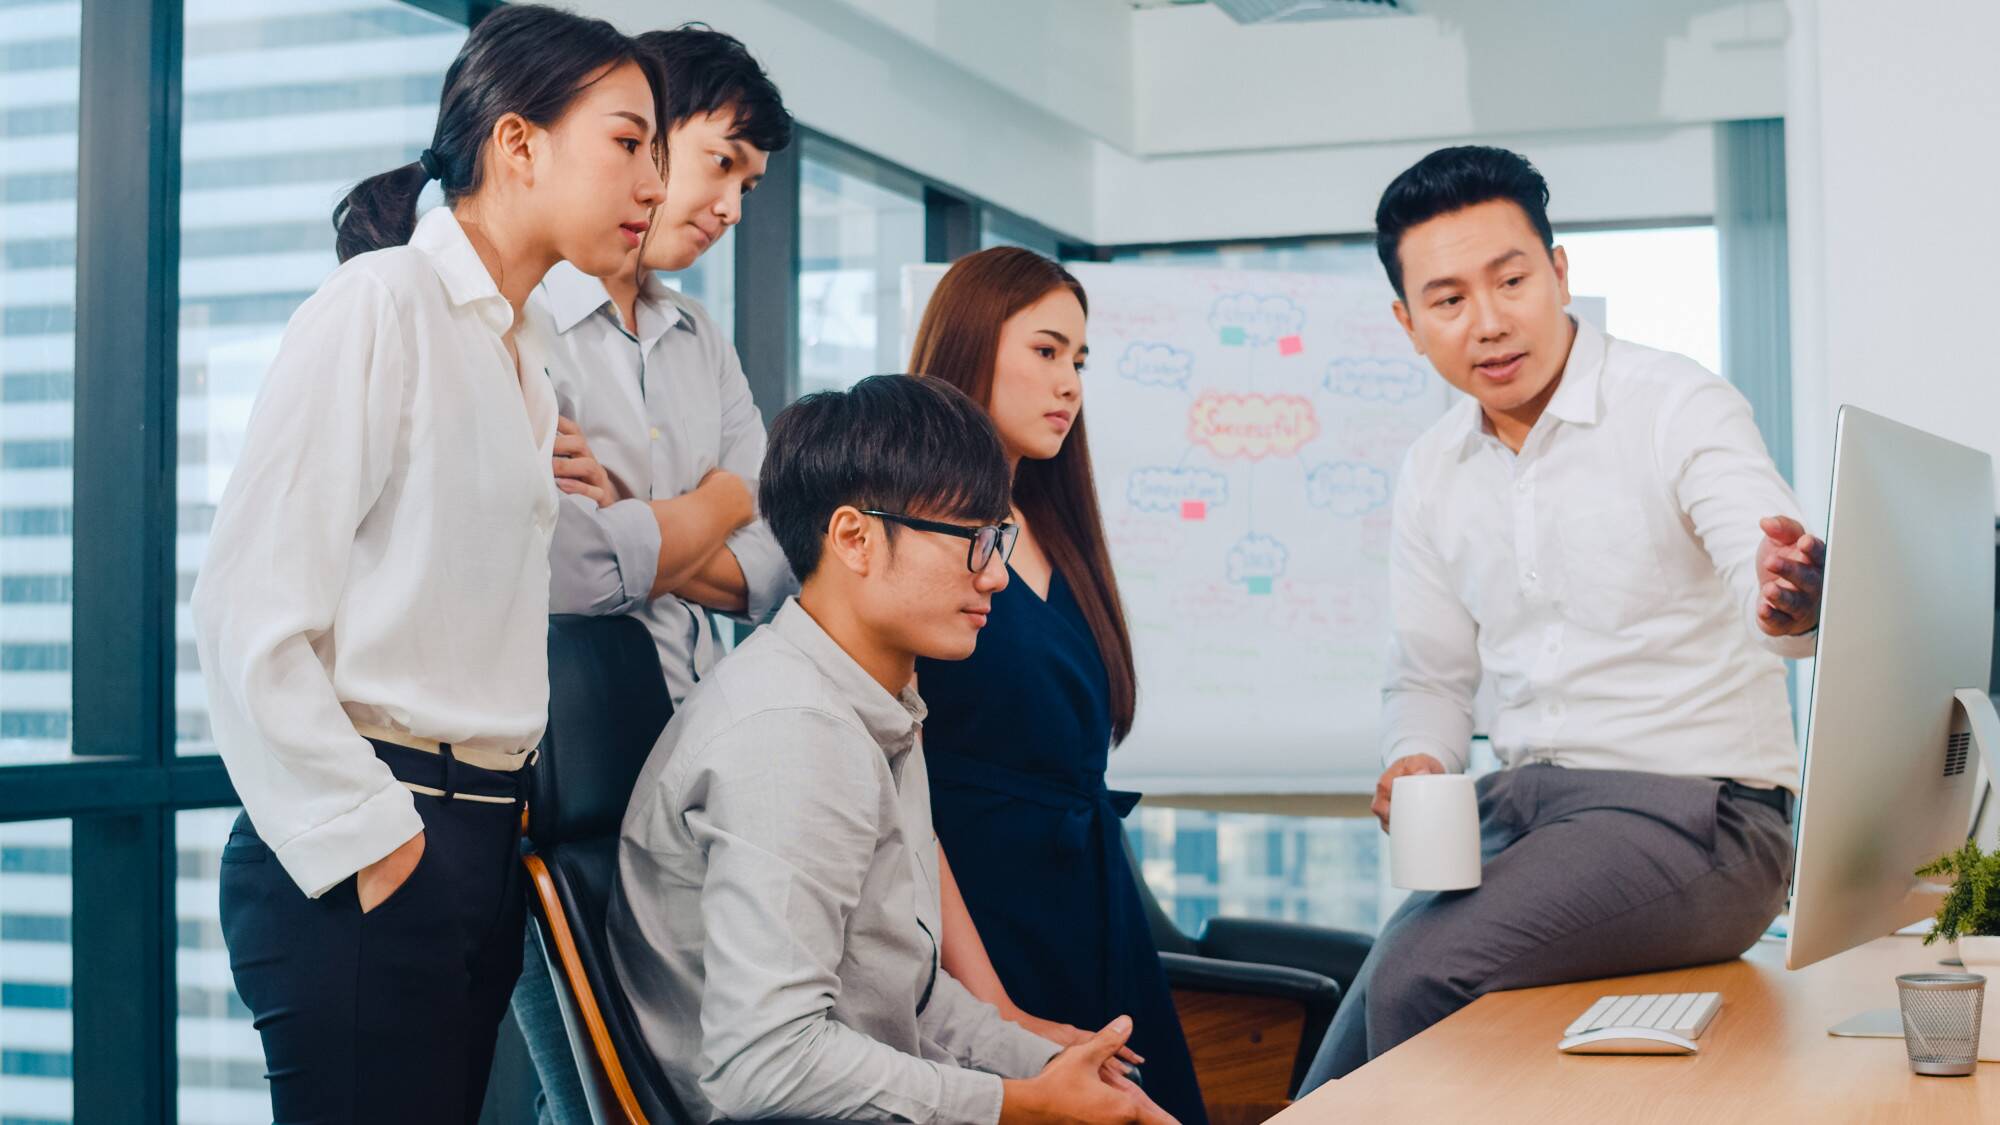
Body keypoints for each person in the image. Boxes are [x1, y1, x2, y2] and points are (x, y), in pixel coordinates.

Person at [189, 8, 666, 1122]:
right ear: (518, 144)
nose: (652, 179)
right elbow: (244, 611)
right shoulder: (380, 305)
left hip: (481, 837)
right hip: (375, 833)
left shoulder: (526, 351)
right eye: (628, 141)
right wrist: (375, 846)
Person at [1301, 145, 1824, 1087]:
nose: (1490, 323)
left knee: (1420, 970)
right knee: (1351, 1036)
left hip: (1704, 818)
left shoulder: (1674, 402)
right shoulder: (1431, 469)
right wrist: (1416, 756)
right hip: (1531, 819)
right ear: (1408, 322)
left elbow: (1764, 565)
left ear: (1561, 272)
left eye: (1512, 280)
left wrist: (1787, 595)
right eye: (1450, 299)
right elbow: (1428, 672)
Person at [608, 375, 1171, 1124]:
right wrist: (1022, 1104)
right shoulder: (793, 733)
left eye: (995, 538)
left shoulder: (873, 706)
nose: (996, 574)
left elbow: (912, 996)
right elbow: (766, 1063)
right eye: (970, 540)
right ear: (854, 538)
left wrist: (1044, 1067)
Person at [510, 29, 796, 1121]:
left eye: (750, 183)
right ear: (645, 135)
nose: (731, 205)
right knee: (584, 1094)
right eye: (721, 162)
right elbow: (573, 572)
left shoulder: (698, 338)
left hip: (682, 762)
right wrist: (721, 496)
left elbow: (771, 568)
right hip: (554, 780)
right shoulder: (526, 327)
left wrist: (639, 517)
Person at [908, 248, 1207, 1122]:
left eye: (1079, 361)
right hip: (982, 919)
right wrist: (991, 1003)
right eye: (1045, 351)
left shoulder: (1047, 520)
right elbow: (904, 798)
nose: (1068, 382)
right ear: (970, 346)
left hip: (1091, 901)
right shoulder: (913, 536)